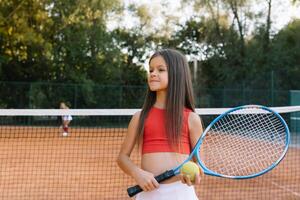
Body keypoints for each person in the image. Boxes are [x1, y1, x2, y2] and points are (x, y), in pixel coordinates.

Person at [117, 49, 204, 200]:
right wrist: (137, 173)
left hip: (181, 194)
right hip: (149, 194)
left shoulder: (191, 118)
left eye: (161, 70)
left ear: (177, 75)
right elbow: (122, 157)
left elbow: (200, 164)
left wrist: (195, 173)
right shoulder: (140, 117)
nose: (152, 73)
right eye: (151, 69)